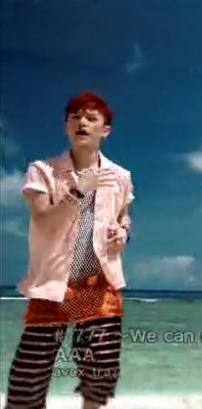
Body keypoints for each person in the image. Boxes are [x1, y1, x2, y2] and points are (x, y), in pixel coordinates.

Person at [4, 92, 134, 409]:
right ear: (66, 126)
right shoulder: (43, 170)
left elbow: (123, 216)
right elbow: (43, 221)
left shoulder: (120, 176)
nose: (81, 122)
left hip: (99, 283)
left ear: (105, 130)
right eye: (75, 117)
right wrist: (78, 191)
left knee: (99, 376)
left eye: (91, 118)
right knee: (27, 381)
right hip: (53, 283)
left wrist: (124, 233)